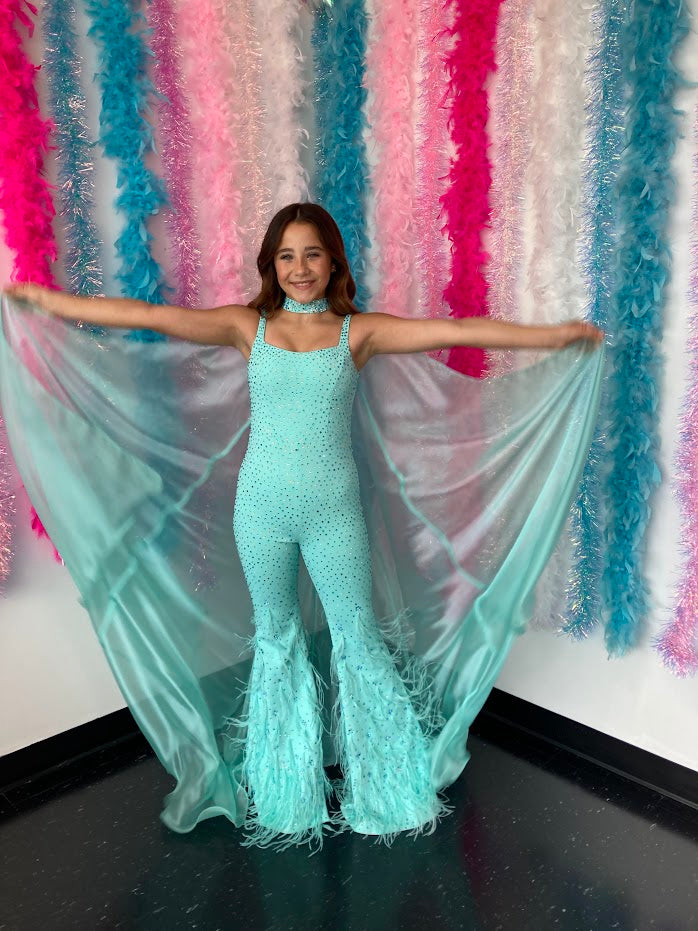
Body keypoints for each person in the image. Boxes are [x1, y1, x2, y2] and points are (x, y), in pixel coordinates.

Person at [1, 203, 604, 850]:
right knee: (276, 639)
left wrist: (557, 337)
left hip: (333, 514)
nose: (299, 268)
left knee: (357, 637)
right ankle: (287, 794)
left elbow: (454, 330)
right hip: (260, 512)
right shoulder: (247, 326)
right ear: (272, 264)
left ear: (333, 261)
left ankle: (388, 787)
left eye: (312, 253)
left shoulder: (358, 333)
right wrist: (45, 301)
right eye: (286, 256)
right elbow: (150, 317)